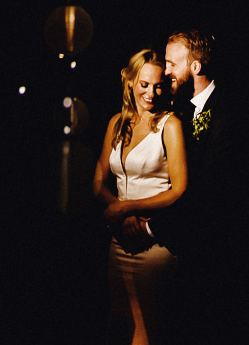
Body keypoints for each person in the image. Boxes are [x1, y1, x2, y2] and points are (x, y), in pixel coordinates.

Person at [95, 48, 188, 344]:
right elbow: (99, 180)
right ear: (131, 82)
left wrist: (127, 210)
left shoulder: (170, 125)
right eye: (145, 84)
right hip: (119, 240)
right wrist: (120, 214)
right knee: (118, 321)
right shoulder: (116, 123)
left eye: (159, 85)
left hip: (153, 243)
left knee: (146, 330)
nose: (152, 92)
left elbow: (180, 189)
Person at [151, 29, 232, 338]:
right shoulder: (180, 110)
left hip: (209, 252)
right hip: (178, 247)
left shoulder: (226, 114)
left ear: (195, 67)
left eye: (172, 64)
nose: (166, 71)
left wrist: (151, 225)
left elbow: (210, 190)